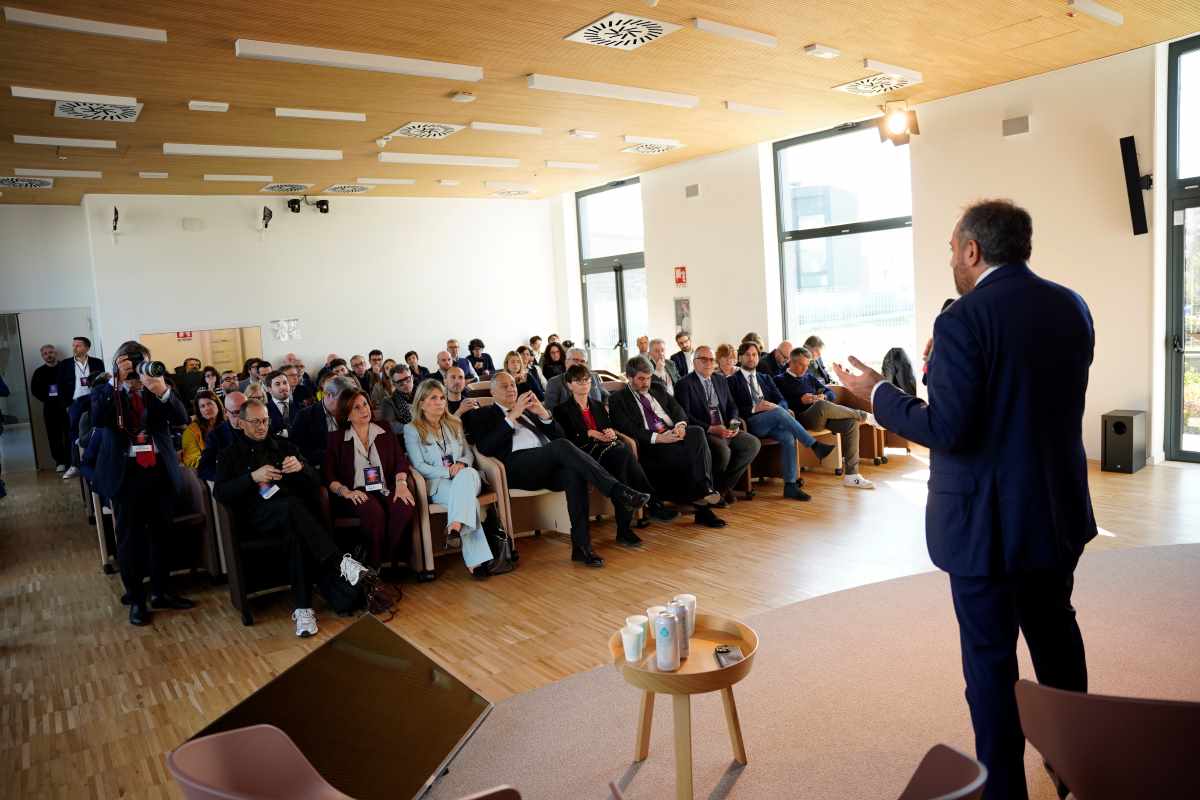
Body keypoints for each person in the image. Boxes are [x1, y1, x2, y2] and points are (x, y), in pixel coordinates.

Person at [834, 199, 1096, 800]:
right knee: (1056, 637)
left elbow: (948, 428)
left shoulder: (963, 320)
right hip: (1055, 511)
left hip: (986, 527)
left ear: (973, 251)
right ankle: (1076, 767)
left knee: (990, 666)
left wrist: (877, 393)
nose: (951, 258)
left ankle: (1004, 792)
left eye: (953, 249)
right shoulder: (1072, 306)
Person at [215, 398, 376, 639]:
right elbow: (220, 492)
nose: (261, 426)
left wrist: (301, 468)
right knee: (292, 507)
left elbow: (315, 481)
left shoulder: (284, 446)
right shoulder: (229, 454)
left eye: (265, 421)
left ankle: (303, 610)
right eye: (255, 422)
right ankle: (339, 561)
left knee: (296, 533)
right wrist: (252, 478)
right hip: (258, 518)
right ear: (241, 423)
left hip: (295, 519)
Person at [463, 372, 649, 568]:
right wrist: (512, 416)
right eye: (504, 386)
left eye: (512, 385)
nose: (511, 389)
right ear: (492, 391)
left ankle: (582, 547)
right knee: (561, 447)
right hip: (516, 468)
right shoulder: (482, 414)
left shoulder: (529, 411)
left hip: (546, 464)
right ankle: (618, 491)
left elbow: (561, 437)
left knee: (573, 473)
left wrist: (543, 414)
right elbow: (485, 447)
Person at [88, 341, 193, 626]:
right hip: (126, 475)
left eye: (141, 361)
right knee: (129, 539)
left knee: (162, 535)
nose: (136, 368)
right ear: (117, 364)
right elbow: (98, 419)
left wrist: (161, 391)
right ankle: (136, 598)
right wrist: (116, 383)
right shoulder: (103, 390)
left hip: (159, 472)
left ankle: (161, 591)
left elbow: (181, 418)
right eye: (130, 362)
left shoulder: (160, 385)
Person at [554, 363, 678, 545]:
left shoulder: (597, 406)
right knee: (623, 455)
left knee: (622, 469)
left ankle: (626, 528)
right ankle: (649, 506)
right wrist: (589, 433)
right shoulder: (561, 410)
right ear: (569, 385)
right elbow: (564, 439)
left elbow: (608, 427)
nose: (584, 384)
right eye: (579, 381)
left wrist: (611, 433)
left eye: (587, 381)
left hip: (608, 451)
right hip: (584, 455)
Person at [607, 356, 726, 528]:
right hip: (652, 444)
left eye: (648, 378)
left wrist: (680, 426)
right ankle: (704, 503)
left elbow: (678, 410)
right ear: (629, 377)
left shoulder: (657, 388)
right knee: (693, 457)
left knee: (697, 432)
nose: (646, 383)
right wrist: (659, 438)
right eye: (641, 379)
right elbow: (627, 428)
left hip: (673, 434)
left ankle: (705, 489)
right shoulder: (618, 399)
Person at [404, 381, 495, 577]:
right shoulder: (412, 429)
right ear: (421, 403)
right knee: (466, 500)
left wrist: (461, 463)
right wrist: (448, 472)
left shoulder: (454, 422)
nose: (440, 402)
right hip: (439, 483)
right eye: (433, 398)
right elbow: (418, 466)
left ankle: (455, 525)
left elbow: (468, 453)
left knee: (467, 475)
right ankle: (472, 554)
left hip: (467, 476)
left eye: (442, 398)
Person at [324, 389, 417, 575]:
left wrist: (401, 484)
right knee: (374, 511)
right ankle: (376, 563)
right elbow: (328, 475)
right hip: (355, 492)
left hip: (383, 487)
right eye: (356, 408)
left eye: (365, 404)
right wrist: (346, 492)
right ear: (347, 414)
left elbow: (401, 461)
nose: (364, 410)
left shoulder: (384, 429)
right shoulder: (336, 438)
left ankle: (385, 559)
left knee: (404, 504)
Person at [728, 341, 835, 501]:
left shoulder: (765, 378)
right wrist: (754, 408)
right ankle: (813, 445)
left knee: (788, 436)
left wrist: (777, 407)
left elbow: (782, 400)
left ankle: (790, 486)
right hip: (750, 423)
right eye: (747, 355)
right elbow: (732, 408)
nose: (751, 358)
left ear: (758, 357)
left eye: (754, 354)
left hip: (773, 420)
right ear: (740, 358)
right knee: (778, 412)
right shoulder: (731, 381)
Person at [775, 347, 875, 489]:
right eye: (801, 365)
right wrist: (800, 401)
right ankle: (864, 416)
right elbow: (780, 404)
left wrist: (824, 396)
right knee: (821, 405)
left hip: (820, 417)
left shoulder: (809, 377)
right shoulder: (779, 380)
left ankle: (852, 476)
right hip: (800, 421)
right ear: (791, 362)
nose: (805, 369)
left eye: (807, 365)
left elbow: (831, 393)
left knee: (851, 423)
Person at [674, 346, 761, 505]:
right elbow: (685, 417)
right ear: (694, 362)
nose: (708, 363)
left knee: (752, 444)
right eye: (704, 359)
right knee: (723, 451)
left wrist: (734, 422)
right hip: (705, 431)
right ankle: (715, 492)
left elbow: (732, 406)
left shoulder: (720, 380)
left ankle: (721, 489)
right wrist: (712, 428)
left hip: (725, 428)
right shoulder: (684, 384)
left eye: (711, 360)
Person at [56, 336, 104, 479]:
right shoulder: (65, 364)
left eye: (78, 345)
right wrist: (66, 404)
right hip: (75, 402)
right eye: (73, 345)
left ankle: (95, 461)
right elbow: (60, 386)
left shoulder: (97, 362)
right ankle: (75, 465)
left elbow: (102, 381)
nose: (74, 348)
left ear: (87, 348)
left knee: (97, 428)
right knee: (73, 433)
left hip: (94, 400)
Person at [293, 375, 357, 468]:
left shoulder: (350, 412)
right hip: (320, 468)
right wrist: (333, 454)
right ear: (328, 395)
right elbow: (299, 451)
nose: (346, 405)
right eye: (343, 400)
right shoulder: (304, 416)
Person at [30, 344, 69, 472]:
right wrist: (47, 397)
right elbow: (35, 390)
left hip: (67, 406)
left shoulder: (65, 367)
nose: (48, 355)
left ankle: (71, 461)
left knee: (69, 433)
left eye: (50, 352)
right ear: (42, 356)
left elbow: (72, 384)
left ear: (55, 353)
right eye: (45, 354)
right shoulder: (39, 372)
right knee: (54, 436)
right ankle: (60, 462)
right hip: (50, 408)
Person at [198, 391, 245, 482]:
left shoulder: (258, 424)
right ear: (226, 412)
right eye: (236, 412)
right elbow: (204, 469)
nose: (243, 416)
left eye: (245, 411)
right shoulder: (215, 436)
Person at [543, 348, 609, 409]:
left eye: (582, 361)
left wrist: (606, 407)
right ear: (566, 362)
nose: (579, 364)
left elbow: (606, 396)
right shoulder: (554, 382)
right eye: (575, 360)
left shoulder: (593, 377)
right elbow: (551, 409)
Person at [181, 389, 225, 469]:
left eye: (209, 404)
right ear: (199, 411)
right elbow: (191, 460)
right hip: (210, 469)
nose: (206, 408)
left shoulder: (229, 422)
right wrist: (217, 461)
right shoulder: (190, 432)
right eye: (202, 406)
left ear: (218, 405)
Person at [374, 366, 414, 433]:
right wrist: (416, 428)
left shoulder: (422, 393)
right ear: (394, 384)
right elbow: (391, 425)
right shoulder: (388, 401)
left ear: (412, 377)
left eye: (407, 379)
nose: (405, 384)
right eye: (400, 383)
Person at [265, 370, 300, 438]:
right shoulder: (264, 410)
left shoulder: (301, 407)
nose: (283, 387)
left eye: (285, 383)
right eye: (277, 384)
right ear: (269, 389)